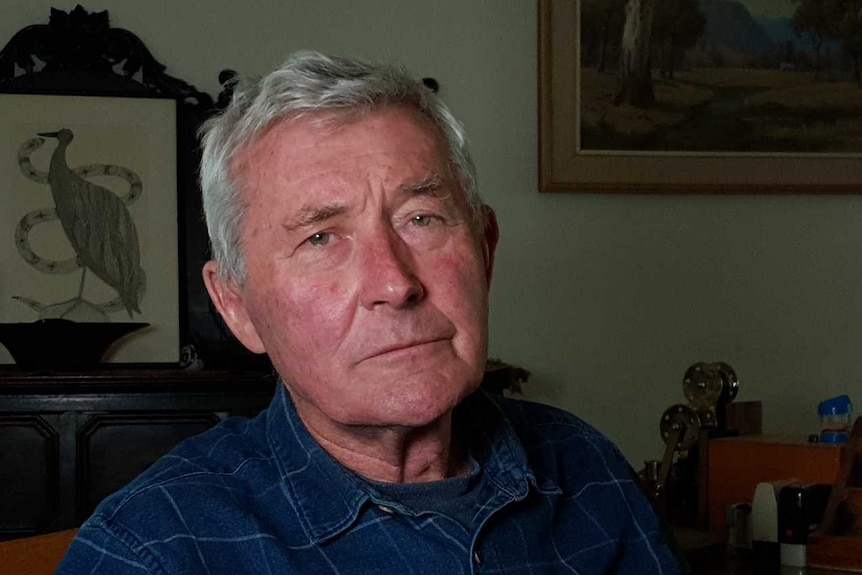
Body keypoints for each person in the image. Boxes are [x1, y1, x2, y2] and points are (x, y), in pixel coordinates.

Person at [57, 51, 683, 574]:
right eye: (321, 238)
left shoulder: (586, 465)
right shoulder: (154, 551)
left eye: (421, 219)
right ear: (237, 306)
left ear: (485, 252)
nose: (394, 283)